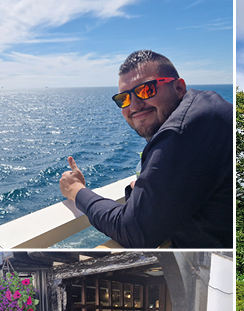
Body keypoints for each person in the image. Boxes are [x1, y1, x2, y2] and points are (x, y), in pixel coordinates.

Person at [59, 50, 233, 248]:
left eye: (146, 90)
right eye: (123, 99)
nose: (134, 105)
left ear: (178, 87)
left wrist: (77, 191)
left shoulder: (180, 132)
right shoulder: (205, 107)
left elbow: (134, 232)